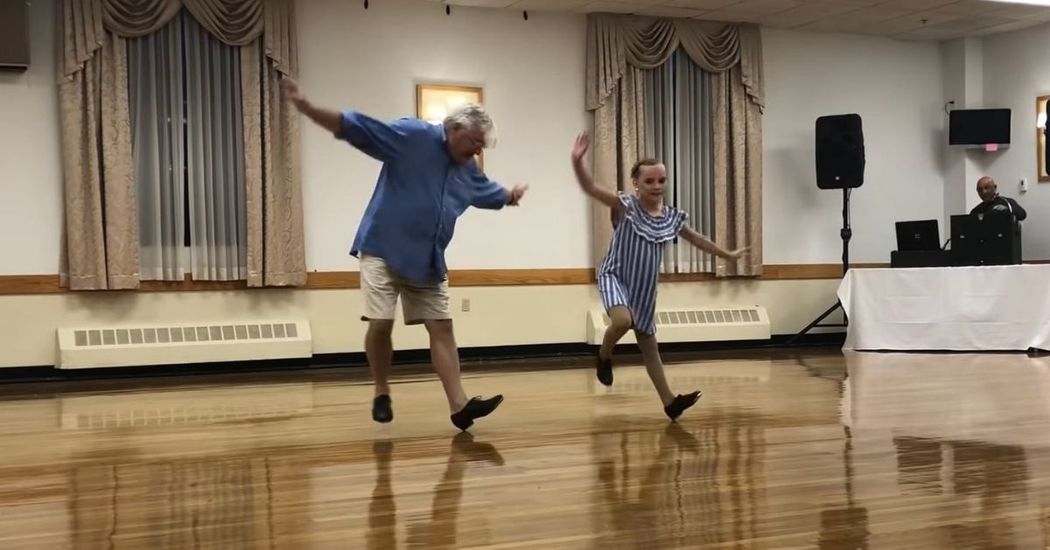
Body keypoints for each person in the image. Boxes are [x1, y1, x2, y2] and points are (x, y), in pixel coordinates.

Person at [281, 78, 526, 431]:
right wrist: (308, 109)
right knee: (381, 323)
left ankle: (459, 407)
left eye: (481, 147)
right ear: (455, 128)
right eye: (474, 143)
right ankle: (381, 390)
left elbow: (488, 192)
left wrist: (510, 196)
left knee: (442, 328)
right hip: (382, 247)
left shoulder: (467, 169)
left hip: (427, 259)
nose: (477, 152)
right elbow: (360, 128)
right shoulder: (414, 136)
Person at [570, 132, 749, 421]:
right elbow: (590, 187)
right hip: (614, 275)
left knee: (649, 346)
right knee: (622, 321)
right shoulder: (625, 206)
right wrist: (578, 162)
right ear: (636, 183)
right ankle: (604, 355)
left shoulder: (670, 217)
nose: (656, 186)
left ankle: (670, 402)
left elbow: (698, 239)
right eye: (649, 181)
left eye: (661, 180)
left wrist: (727, 254)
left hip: (644, 288)